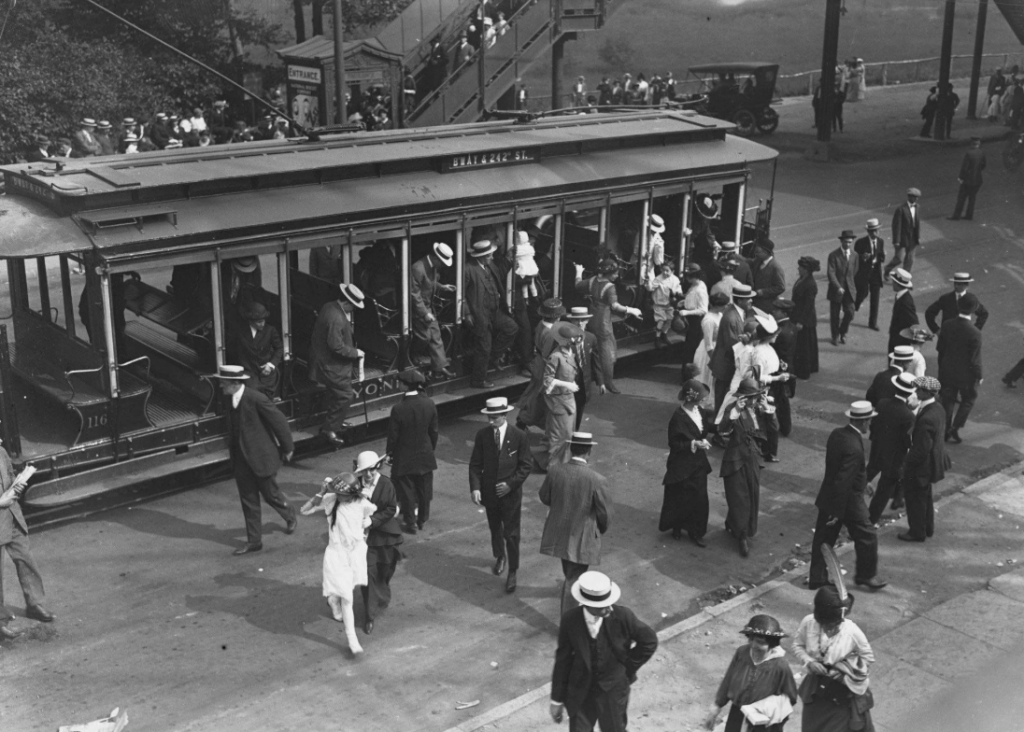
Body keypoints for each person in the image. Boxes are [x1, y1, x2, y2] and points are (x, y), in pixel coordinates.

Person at [549, 571, 658, 732]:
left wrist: (627, 667)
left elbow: (649, 640)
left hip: (613, 691)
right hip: (581, 692)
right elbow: (563, 660)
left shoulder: (622, 616)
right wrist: (556, 700)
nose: (609, 608)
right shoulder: (570, 620)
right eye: (602, 606)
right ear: (587, 604)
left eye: (610, 602)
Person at [214, 365, 296, 555]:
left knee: (270, 495)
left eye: (224, 383)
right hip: (241, 459)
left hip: (261, 457)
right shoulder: (228, 399)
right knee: (248, 500)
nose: (221, 386)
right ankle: (254, 541)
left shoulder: (256, 398)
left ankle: (289, 514)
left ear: (235, 384)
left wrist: (288, 448)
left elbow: (279, 421)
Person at [808, 400, 887, 591]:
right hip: (846, 502)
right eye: (869, 421)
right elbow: (843, 480)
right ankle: (865, 575)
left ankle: (817, 577)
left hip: (829, 498)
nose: (870, 425)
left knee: (823, 539)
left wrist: (863, 481)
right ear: (863, 422)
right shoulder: (855, 447)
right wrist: (836, 511)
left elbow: (841, 469)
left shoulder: (838, 435)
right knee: (867, 536)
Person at [299, 472, 375, 655]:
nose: (338, 496)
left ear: (351, 494)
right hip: (336, 554)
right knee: (347, 598)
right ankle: (352, 640)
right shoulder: (330, 499)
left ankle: (332, 600)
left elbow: (374, 513)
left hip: (355, 554)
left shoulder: (362, 503)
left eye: (341, 494)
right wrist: (320, 493)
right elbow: (305, 510)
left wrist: (369, 521)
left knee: (348, 590)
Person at [539, 432, 610, 618]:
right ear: (589, 452)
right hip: (583, 537)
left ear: (571, 449)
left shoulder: (555, 471)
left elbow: (544, 497)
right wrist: (598, 529)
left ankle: (572, 610)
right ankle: (568, 623)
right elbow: (605, 514)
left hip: (560, 533)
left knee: (569, 573)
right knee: (574, 579)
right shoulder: (597, 479)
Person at [469, 397, 533, 593]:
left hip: (510, 495)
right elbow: (475, 464)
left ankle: (513, 570)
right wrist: (475, 487)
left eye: (494, 418)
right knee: (495, 527)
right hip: (490, 493)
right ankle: (500, 556)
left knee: (511, 534)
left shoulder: (519, 436)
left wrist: (510, 485)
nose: (490, 421)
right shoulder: (483, 436)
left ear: (505, 415)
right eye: (489, 417)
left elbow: (525, 465)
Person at [793, 587, 877, 732]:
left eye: (833, 624)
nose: (828, 629)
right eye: (823, 624)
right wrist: (809, 661)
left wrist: (844, 671)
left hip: (842, 693)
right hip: (815, 692)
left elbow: (867, 658)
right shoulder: (808, 622)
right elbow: (797, 645)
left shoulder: (852, 632)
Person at [705, 615, 798, 732]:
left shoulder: (780, 666)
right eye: (751, 640)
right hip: (737, 714)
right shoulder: (742, 653)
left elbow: (791, 698)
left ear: (771, 644)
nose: (753, 645)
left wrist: (768, 708)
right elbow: (728, 680)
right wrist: (717, 705)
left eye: (760, 642)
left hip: (763, 723)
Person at [0, 438, 54, 637]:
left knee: (26, 560)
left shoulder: (1, 451)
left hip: (12, 517)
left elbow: (9, 474)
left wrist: (18, 484)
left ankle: (35, 604)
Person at [717, 378, 769, 557]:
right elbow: (722, 430)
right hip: (736, 459)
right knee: (740, 497)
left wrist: (767, 410)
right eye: (751, 397)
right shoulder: (734, 410)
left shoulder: (758, 411)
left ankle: (734, 524)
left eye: (756, 397)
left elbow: (772, 431)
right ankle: (741, 535)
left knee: (752, 494)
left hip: (753, 458)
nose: (754, 400)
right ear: (743, 398)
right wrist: (736, 411)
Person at [353, 451, 403, 634]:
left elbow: (391, 508)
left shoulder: (386, 484)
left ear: (377, 467)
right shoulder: (356, 485)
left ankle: (381, 595)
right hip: (364, 540)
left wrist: (373, 520)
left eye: (371, 470)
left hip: (386, 536)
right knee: (368, 574)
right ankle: (369, 615)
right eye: (364, 471)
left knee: (385, 570)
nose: (367, 475)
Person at [574, 259, 642, 394]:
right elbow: (615, 306)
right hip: (603, 322)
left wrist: (578, 272)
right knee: (608, 353)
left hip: (591, 318)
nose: (617, 276)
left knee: (597, 350)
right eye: (616, 273)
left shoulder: (592, 280)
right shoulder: (610, 287)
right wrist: (631, 310)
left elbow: (577, 285)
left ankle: (599, 379)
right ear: (609, 274)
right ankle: (608, 382)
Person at [309, 283, 364, 446]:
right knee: (345, 395)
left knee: (336, 393)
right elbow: (336, 346)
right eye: (353, 307)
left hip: (323, 360)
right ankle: (329, 429)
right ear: (347, 302)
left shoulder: (329, 306)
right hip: (330, 365)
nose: (353, 310)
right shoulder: (337, 318)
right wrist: (356, 353)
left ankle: (336, 422)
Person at [660, 379, 713, 547]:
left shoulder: (700, 412)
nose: (705, 400)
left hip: (697, 463)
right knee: (680, 497)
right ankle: (677, 526)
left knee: (699, 498)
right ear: (692, 398)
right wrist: (694, 444)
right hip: (681, 465)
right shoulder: (678, 418)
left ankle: (696, 531)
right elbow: (674, 444)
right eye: (703, 397)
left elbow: (709, 428)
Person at [386, 370, 439, 535]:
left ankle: (411, 522)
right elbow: (434, 432)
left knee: (407, 491)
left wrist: (390, 453)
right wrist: (430, 449)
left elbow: (393, 436)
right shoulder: (429, 403)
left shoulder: (398, 408)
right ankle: (422, 519)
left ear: (404, 385)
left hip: (405, 455)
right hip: (425, 454)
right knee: (424, 488)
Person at [464, 240, 519, 389]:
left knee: (511, 327)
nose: (492, 258)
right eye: (489, 255)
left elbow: (500, 274)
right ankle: (478, 380)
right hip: (480, 315)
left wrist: (508, 259)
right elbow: (460, 294)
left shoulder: (489, 265)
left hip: (495, 311)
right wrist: (467, 312)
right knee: (484, 347)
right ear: (481, 256)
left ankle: (494, 357)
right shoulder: (468, 269)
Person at [900, 377, 947, 543]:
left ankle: (916, 532)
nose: (916, 392)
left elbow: (921, 450)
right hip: (932, 463)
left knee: (915, 500)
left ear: (927, 393)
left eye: (919, 389)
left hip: (921, 467)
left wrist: (906, 464)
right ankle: (927, 527)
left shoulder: (927, 417)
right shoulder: (938, 408)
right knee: (925, 497)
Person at [867, 372, 917, 523]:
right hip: (895, 459)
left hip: (878, 451)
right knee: (882, 493)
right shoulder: (908, 415)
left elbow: (874, 426)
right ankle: (871, 520)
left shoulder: (882, 403)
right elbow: (907, 442)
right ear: (910, 393)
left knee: (863, 477)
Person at [937, 293, 983, 443]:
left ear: (958, 306)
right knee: (969, 399)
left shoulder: (947, 324)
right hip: (966, 375)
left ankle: (945, 430)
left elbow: (941, 348)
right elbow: (974, 359)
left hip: (947, 370)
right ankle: (955, 427)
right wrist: (979, 375)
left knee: (948, 401)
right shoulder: (975, 332)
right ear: (974, 309)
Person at [515, 297, 566, 434]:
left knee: (535, 392)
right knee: (540, 397)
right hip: (545, 366)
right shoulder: (551, 333)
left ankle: (524, 419)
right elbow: (550, 354)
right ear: (557, 317)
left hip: (538, 362)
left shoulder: (541, 324)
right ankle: (525, 419)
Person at [411, 242, 457, 380]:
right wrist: (424, 313)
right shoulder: (418, 268)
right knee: (425, 337)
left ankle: (440, 367)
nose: (442, 266)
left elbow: (428, 283)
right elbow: (414, 294)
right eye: (442, 262)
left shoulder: (431, 266)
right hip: (416, 309)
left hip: (427, 307)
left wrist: (442, 287)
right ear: (436, 258)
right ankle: (413, 355)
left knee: (436, 336)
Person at [541, 322, 583, 469]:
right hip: (559, 401)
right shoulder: (556, 356)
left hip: (569, 400)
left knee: (568, 435)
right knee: (558, 436)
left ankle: (563, 465)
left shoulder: (571, 353)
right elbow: (547, 381)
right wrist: (567, 385)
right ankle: (553, 467)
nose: (576, 341)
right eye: (573, 339)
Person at [711, 283, 756, 415]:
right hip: (726, 366)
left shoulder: (737, 312)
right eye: (748, 299)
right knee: (723, 398)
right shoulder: (731, 318)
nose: (751, 301)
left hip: (728, 364)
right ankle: (720, 427)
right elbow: (733, 346)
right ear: (740, 300)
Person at [565, 307, 606, 430]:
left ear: (587, 321)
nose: (580, 323)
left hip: (584, 383)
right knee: (568, 412)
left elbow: (596, 361)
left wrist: (601, 382)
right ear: (572, 322)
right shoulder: (565, 340)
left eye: (583, 320)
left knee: (580, 410)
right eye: (577, 321)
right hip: (569, 383)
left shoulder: (591, 338)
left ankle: (575, 433)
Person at [231, 302, 282, 399]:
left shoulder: (270, 330)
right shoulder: (240, 331)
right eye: (259, 322)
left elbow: (279, 348)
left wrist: (271, 365)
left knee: (267, 399)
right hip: (248, 372)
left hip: (267, 373)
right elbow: (233, 350)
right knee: (252, 398)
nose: (262, 324)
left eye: (263, 321)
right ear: (250, 321)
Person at [924, 271, 989, 336]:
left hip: (964, 336)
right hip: (947, 335)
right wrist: (936, 330)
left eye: (967, 283)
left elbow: (984, 313)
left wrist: (975, 330)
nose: (967, 285)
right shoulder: (946, 298)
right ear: (956, 285)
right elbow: (929, 312)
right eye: (964, 283)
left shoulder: (971, 299)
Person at [695, 293, 728, 409]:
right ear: (715, 305)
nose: (725, 307)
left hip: (718, 348)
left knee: (715, 382)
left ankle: (713, 406)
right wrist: (715, 362)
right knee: (707, 378)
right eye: (723, 305)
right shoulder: (708, 320)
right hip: (708, 353)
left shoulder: (719, 314)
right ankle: (704, 407)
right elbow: (708, 344)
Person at [826, 230, 859, 346]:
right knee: (835, 315)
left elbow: (855, 271)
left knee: (850, 312)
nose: (848, 244)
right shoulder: (833, 255)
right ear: (841, 241)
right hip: (836, 290)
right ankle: (835, 336)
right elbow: (831, 273)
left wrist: (848, 283)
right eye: (846, 242)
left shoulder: (855, 255)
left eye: (850, 242)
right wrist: (838, 286)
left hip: (849, 290)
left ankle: (843, 331)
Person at [853, 219, 885, 331]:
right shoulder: (860, 242)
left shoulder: (881, 241)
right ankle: (853, 307)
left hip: (875, 273)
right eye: (872, 232)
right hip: (864, 272)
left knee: (875, 298)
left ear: (879, 230)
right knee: (863, 293)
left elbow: (881, 256)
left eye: (876, 231)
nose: (874, 234)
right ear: (868, 232)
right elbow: (855, 257)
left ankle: (873, 323)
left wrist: (882, 256)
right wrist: (863, 257)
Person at [791, 256, 820, 380]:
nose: (798, 268)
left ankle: (804, 371)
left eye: (801, 267)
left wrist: (800, 321)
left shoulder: (810, 284)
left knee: (804, 347)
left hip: (805, 319)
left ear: (806, 270)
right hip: (799, 315)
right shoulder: (802, 279)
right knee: (805, 345)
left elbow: (808, 305)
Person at [678, 263, 710, 365]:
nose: (687, 279)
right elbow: (693, 299)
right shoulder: (696, 285)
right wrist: (684, 302)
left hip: (696, 322)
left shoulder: (700, 290)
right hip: (692, 320)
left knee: (692, 347)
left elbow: (703, 310)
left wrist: (687, 312)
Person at [948, 137, 987, 221]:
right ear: (978, 144)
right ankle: (969, 215)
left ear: (971, 144)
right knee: (972, 198)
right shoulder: (981, 153)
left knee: (961, 198)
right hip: (978, 180)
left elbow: (964, 168)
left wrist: (961, 178)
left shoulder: (969, 153)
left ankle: (956, 216)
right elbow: (983, 165)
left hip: (968, 180)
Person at [647, 261, 684, 349]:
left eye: (667, 271)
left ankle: (664, 334)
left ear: (672, 271)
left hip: (670, 304)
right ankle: (657, 337)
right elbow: (651, 288)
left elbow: (678, 288)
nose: (665, 272)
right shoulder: (658, 279)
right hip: (659, 304)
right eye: (663, 270)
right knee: (661, 320)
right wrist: (649, 282)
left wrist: (678, 292)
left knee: (669, 320)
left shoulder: (675, 279)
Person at [885, 188, 921, 276]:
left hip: (913, 237)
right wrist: (896, 241)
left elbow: (917, 223)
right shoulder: (901, 209)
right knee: (899, 258)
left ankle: (905, 277)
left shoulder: (917, 207)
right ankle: (887, 269)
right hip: (902, 238)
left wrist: (918, 236)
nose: (916, 199)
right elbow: (896, 226)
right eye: (914, 197)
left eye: (917, 197)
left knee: (910, 259)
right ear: (909, 197)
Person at [750, 239, 786, 314]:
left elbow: (780, 287)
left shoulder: (775, 268)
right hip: (757, 304)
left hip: (768, 307)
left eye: (758, 252)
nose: (755, 254)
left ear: (766, 252)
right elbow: (749, 261)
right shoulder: (758, 261)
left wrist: (763, 292)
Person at [887, 268, 918, 354]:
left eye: (893, 282)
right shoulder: (901, 296)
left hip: (901, 342)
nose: (892, 284)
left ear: (898, 284)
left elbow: (913, 322)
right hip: (897, 339)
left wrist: (913, 343)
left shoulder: (905, 302)